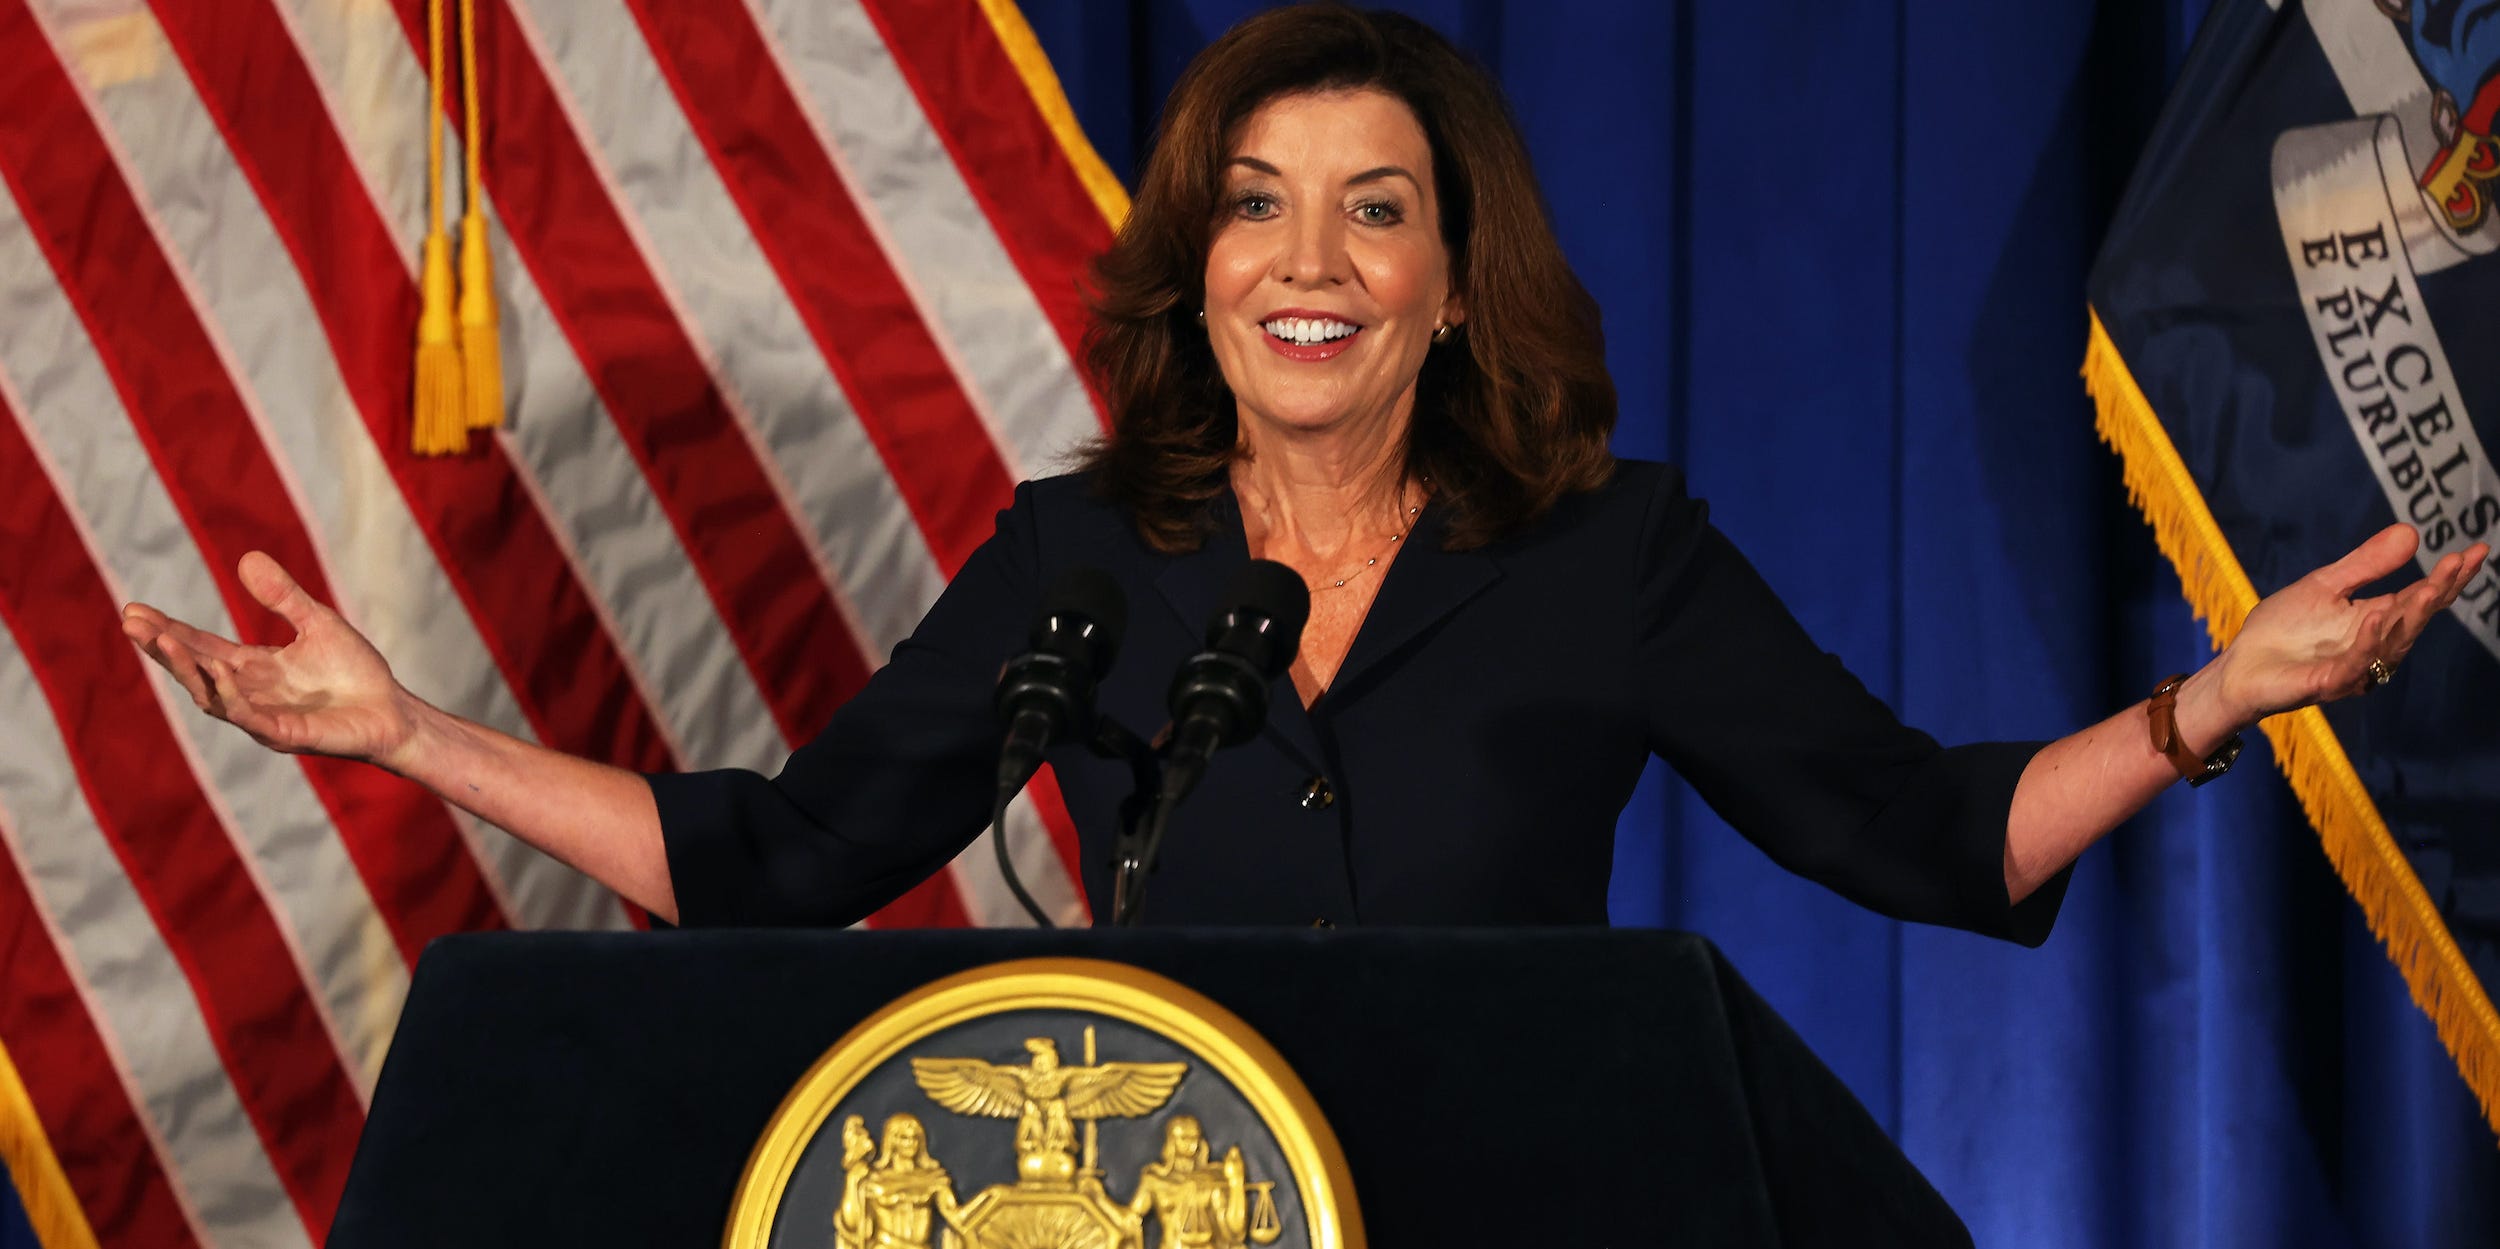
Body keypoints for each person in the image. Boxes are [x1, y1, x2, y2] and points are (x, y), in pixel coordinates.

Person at [119, 6, 2485, 934]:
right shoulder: (1082, 564)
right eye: (1254, 206)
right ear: (1195, 273)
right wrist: (407, 734)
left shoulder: (1608, 553)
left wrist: (2208, 698)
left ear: (1454, 280)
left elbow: (1908, 825)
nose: (1308, 258)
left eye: (1374, 208)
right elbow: (787, 853)